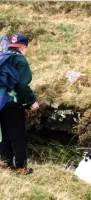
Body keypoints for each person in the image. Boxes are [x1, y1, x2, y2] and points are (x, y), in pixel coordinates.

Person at [0, 33, 39, 175]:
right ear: (23, 47)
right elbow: (22, 85)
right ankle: (21, 167)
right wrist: (32, 101)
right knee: (18, 135)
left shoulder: (2, 55)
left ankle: (5, 161)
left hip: (1, 101)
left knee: (4, 132)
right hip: (13, 104)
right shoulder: (20, 60)